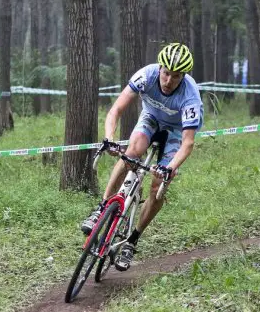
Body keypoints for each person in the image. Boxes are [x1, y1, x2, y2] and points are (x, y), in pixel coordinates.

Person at [81, 42, 204, 271]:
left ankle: (132, 241)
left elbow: (188, 143)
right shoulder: (146, 75)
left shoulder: (190, 97)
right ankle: (101, 208)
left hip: (176, 131)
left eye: (175, 77)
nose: (168, 81)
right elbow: (115, 110)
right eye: (166, 73)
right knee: (131, 153)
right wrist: (109, 138)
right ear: (159, 68)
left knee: (158, 186)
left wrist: (169, 169)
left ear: (183, 76)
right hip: (151, 118)